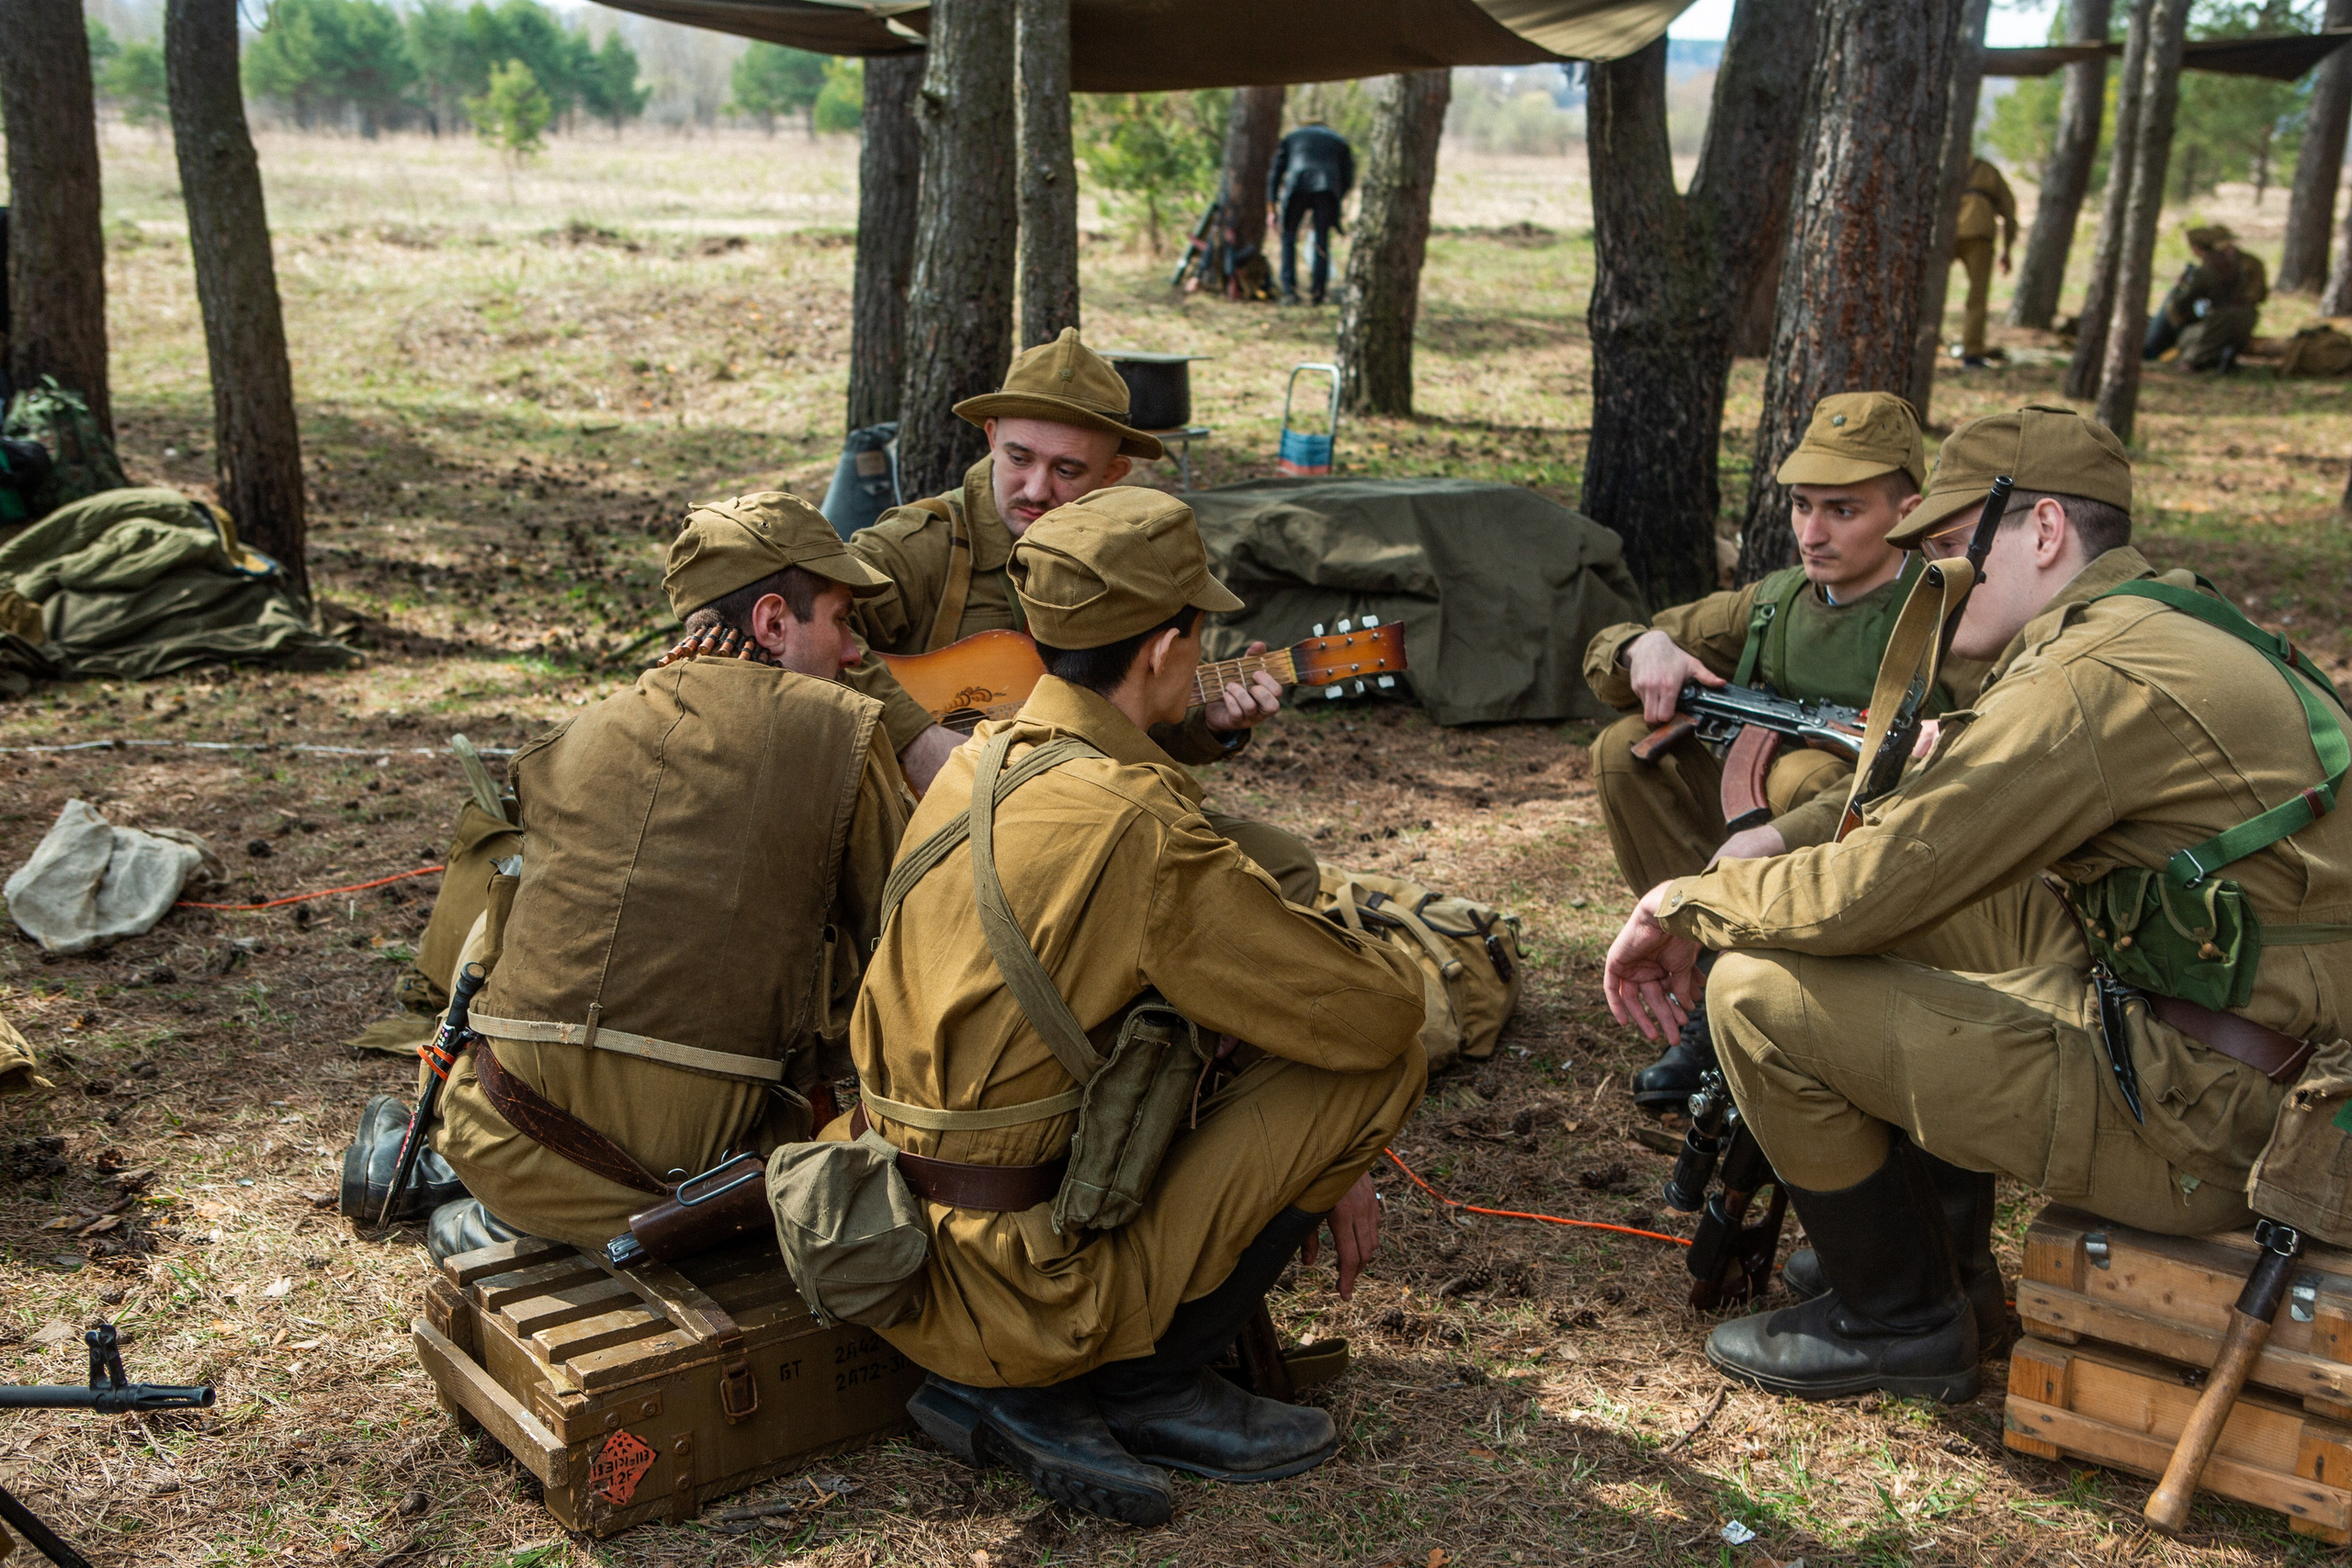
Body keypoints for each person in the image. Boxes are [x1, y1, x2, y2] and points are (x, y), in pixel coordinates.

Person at [1600, 404, 2352, 1406]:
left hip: (2225, 1127)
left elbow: (1865, 891)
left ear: (2043, 532)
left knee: (1755, 992)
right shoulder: (2165, 624)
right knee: (1915, 928)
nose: (1935, 576)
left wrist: (1688, 903)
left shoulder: (2093, 676)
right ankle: (1935, 1258)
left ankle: (1898, 1319)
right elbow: (1923, 840)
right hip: (2260, 1054)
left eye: (1954, 547)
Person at [853, 485, 1431, 1525]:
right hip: (1018, 1285)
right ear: (1170, 649)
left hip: (888, 1239)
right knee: (1385, 1058)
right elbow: (1376, 1019)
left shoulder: (975, 755)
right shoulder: (1138, 825)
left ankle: (1031, 1375)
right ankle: (1146, 1378)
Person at [394, 492, 912, 1260]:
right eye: (840, 620)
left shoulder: (577, 733)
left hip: (489, 1135)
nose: (850, 653)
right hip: (683, 1181)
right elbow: (905, 939)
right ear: (772, 621)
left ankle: (522, 1218)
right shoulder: (840, 731)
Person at [1581, 392, 1979, 1114]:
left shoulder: (1946, 617)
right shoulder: (1777, 602)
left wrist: (1946, 737)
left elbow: (1976, 744)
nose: (1811, 531)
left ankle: (1787, 1003)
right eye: (1800, 505)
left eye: (1842, 509)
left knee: (1803, 772)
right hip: (1760, 827)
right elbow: (1610, 657)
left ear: (1907, 510)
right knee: (1625, 751)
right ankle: (1703, 988)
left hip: (1871, 853)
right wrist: (1643, 646)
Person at [843, 328, 1318, 903]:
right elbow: (791, 623)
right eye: (1019, 458)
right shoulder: (921, 548)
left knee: (1278, 868)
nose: (1036, 489)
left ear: (1113, 475)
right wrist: (916, 737)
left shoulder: (1127, 556)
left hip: (1063, 815)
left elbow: (1112, 715)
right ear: (991, 437)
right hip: (930, 832)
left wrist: (1207, 724)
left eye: (1068, 470)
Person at [2145, 224, 2268, 374]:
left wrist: (2178, 289)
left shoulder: (2210, 269)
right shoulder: (2231, 265)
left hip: (2222, 319)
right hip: (2245, 316)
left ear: (2197, 249)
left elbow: (2182, 302)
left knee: (2187, 350)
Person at [1267, 121, 1354, 306]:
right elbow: (1349, 177)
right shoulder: (1338, 141)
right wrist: (1337, 197)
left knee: (1288, 236)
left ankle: (1289, 290)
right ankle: (1318, 291)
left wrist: (1271, 206)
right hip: (1327, 189)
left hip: (1296, 185)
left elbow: (1275, 173)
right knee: (1321, 238)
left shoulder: (1292, 137)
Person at [1951, 157, 2017, 368]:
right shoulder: (1987, 170)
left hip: (1947, 232)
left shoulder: (1945, 162)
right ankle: (1971, 353)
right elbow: (2009, 210)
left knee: (1930, 293)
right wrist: (2007, 249)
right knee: (1977, 297)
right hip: (1978, 233)